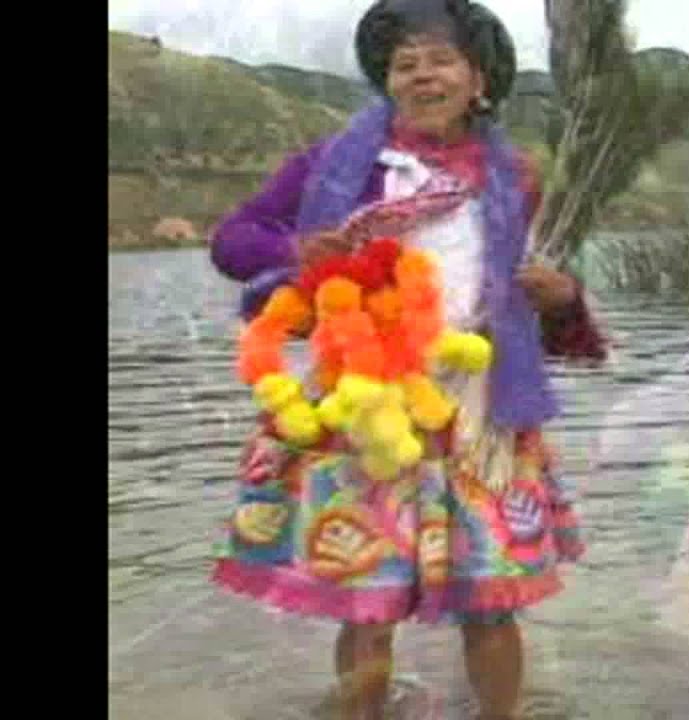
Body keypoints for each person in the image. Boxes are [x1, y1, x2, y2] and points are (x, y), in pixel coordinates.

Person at [207, 2, 605, 718]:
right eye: (404, 64)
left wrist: (561, 295)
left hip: (482, 409)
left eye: (440, 60)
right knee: (366, 598)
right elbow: (233, 238)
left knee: (491, 597)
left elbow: (545, 290)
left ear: (478, 78)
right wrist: (297, 255)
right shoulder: (333, 167)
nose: (422, 76)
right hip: (362, 401)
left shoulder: (515, 177)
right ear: (386, 80)